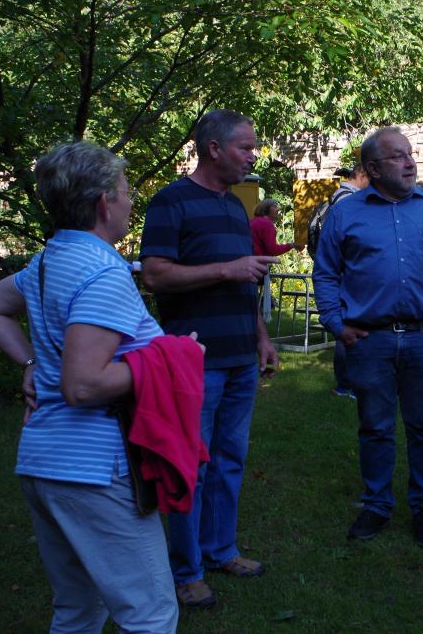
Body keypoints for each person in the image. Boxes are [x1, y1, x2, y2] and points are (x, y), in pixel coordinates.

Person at [0, 141, 178, 632]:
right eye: (127, 193)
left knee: (78, 607)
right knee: (150, 613)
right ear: (105, 202)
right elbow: (83, 386)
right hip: (94, 471)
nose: (131, 204)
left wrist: (29, 360)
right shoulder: (104, 271)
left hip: (44, 461)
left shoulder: (47, 262)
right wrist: (171, 359)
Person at [140, 109, 280, 609]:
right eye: (246, 147)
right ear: (214, 149)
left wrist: (261, 337)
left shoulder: (237, 209)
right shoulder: (170, 203)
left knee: (229, 461)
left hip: (241, 357)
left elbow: (245, 282)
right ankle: (187, 570)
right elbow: (154, 275)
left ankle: (221, 550)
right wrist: (226, 268)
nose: (254, 155)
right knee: (190, 469)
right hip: (192, 361)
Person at [313, 127, 423, 548]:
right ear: (372, 168)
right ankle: (377, 505)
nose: (409, 162)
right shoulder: (346, 213)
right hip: (370, 339)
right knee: (375, 426)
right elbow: (326, 272)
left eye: (409, 154)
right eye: (397, 156)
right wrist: (335, 322)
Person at [325, 164, 370, 399]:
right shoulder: (347, 202)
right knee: (347, 328)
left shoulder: (337, 197)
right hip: (346, 274)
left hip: (343, 273)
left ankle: (347, 383)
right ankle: (347, 384)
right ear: (361, 175)